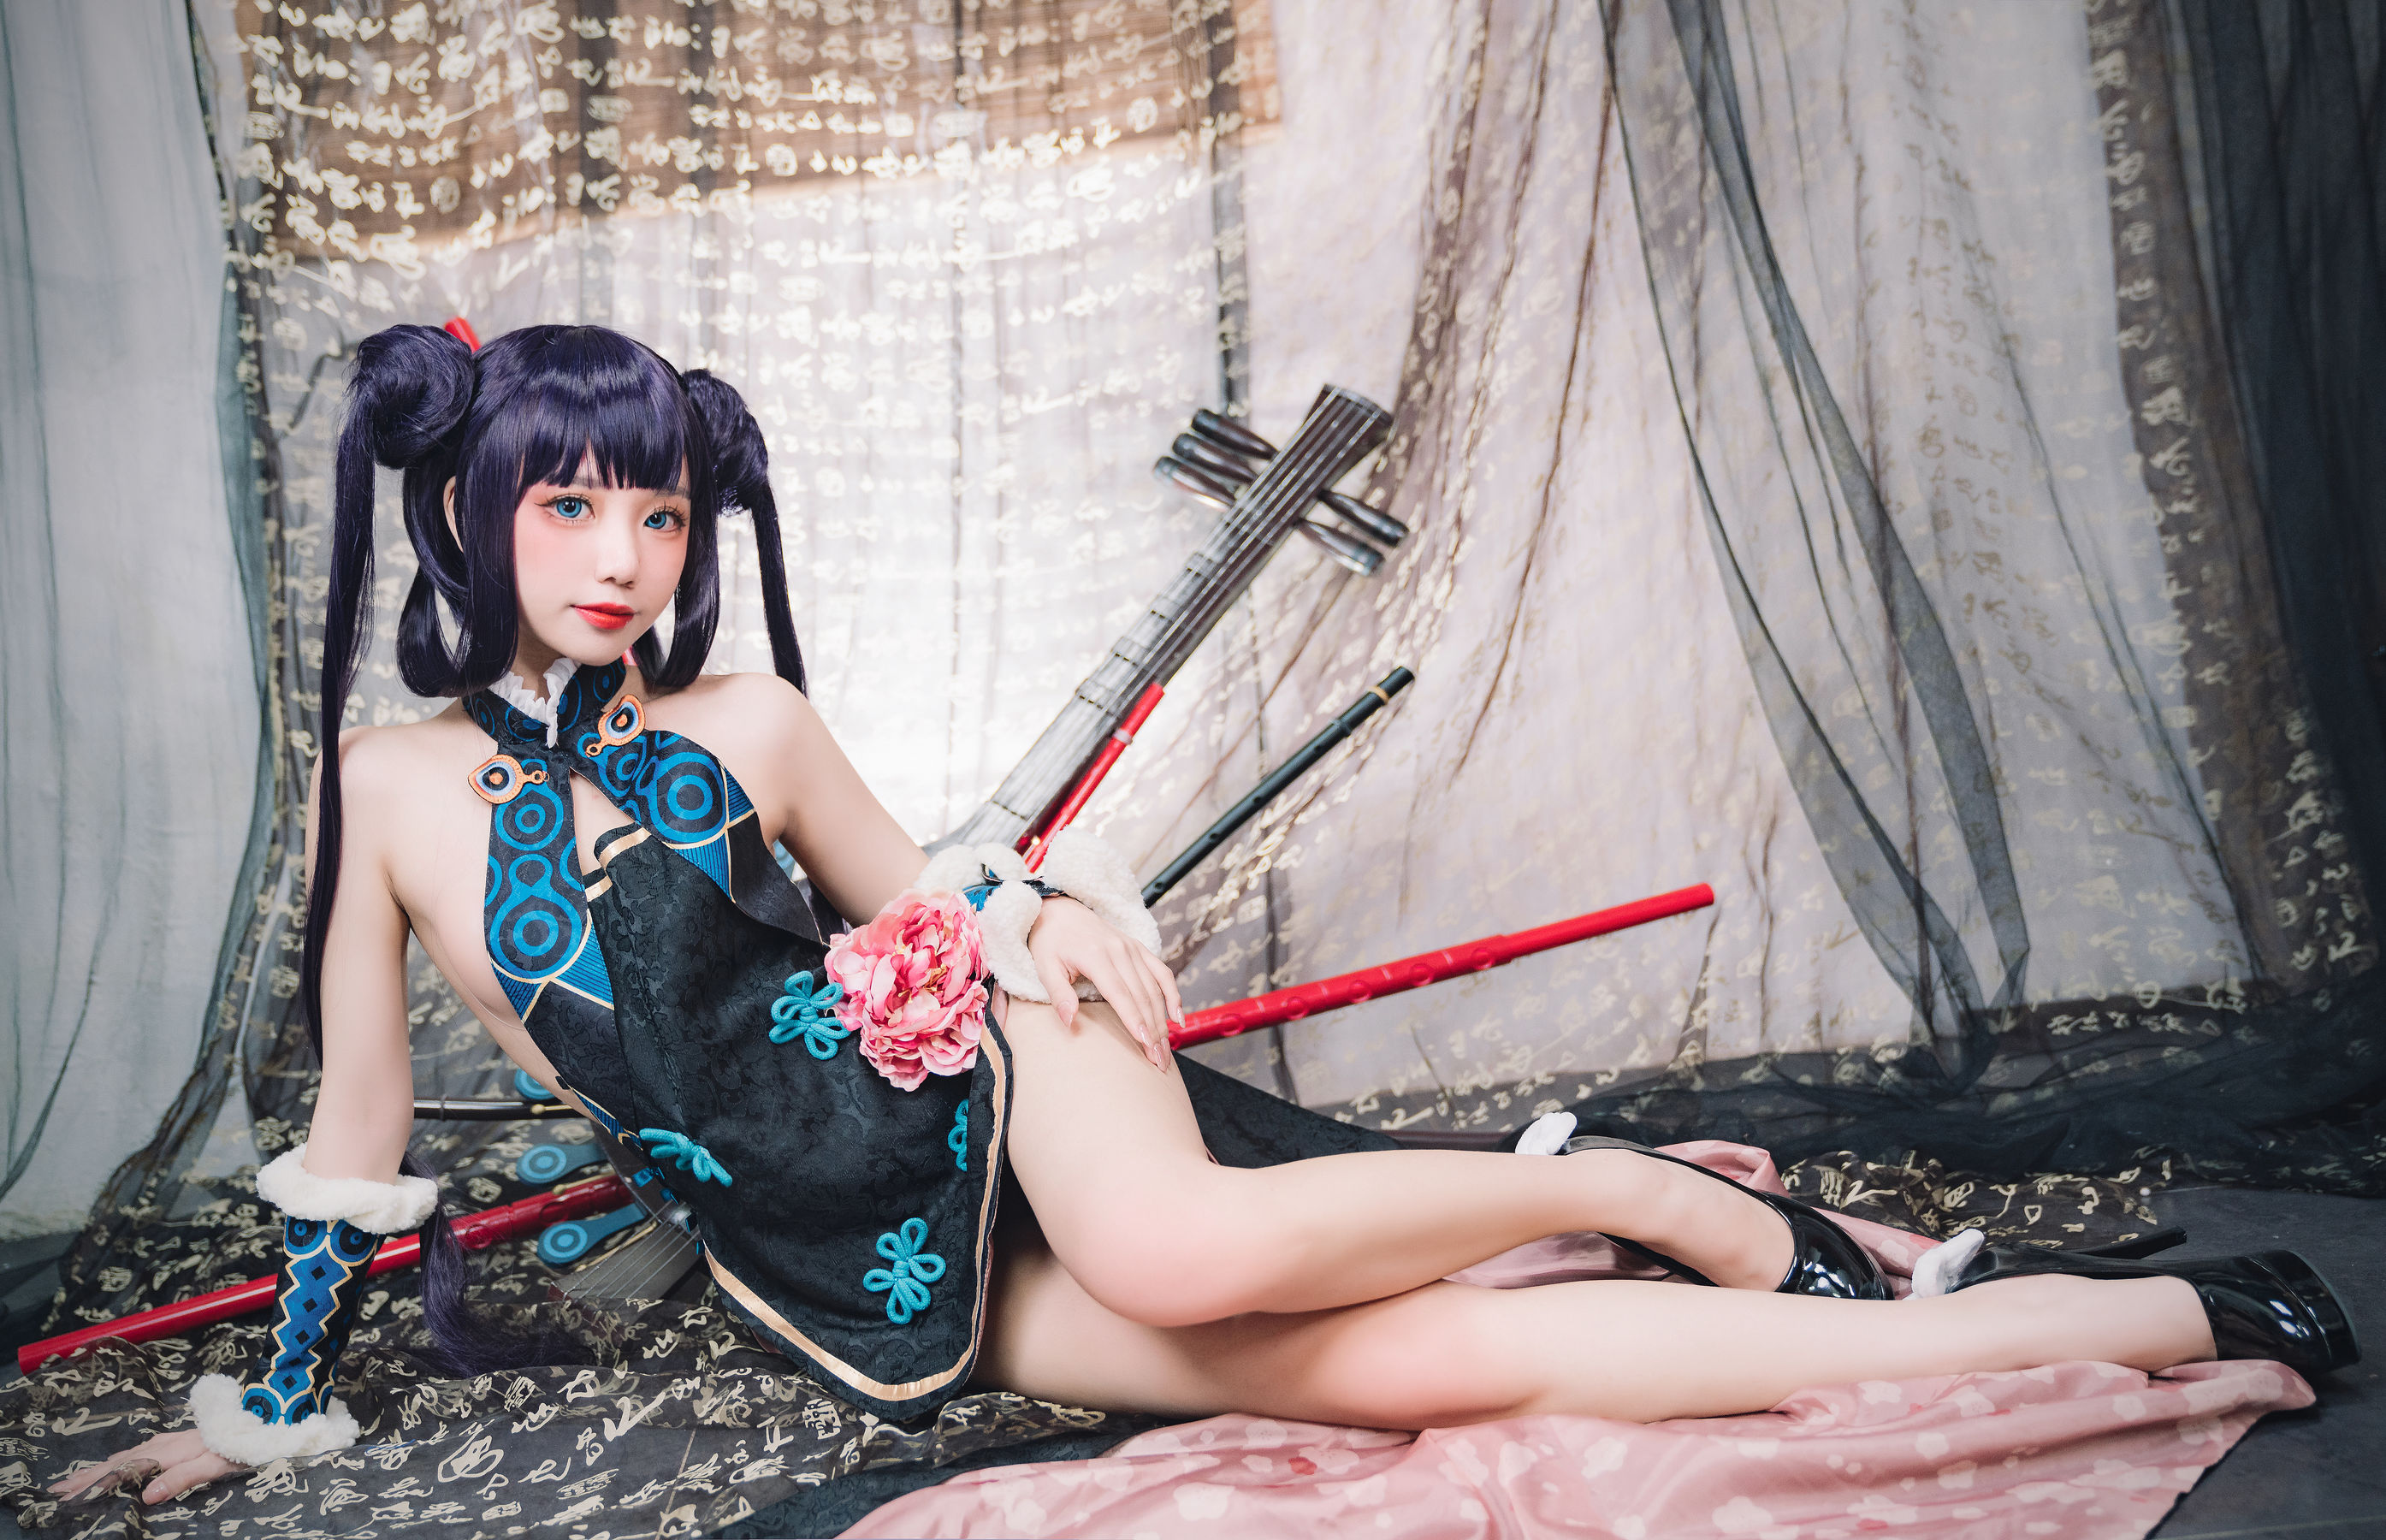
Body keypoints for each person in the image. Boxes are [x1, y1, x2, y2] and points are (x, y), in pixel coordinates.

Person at [52, 324, 2357, 1508]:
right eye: (570, 505)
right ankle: (2171, 1315)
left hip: (986, 1065)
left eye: (655, 511)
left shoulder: (748, 717)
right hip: (848, 1264)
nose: (623, 555)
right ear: (469, 510)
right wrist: (267, 1413)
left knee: (1167, 1245)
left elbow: (941, 897)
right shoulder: (380, 792)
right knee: (1437, 1374)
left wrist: (1058, 912)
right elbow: (358, 1143)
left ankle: (1663, 1197)